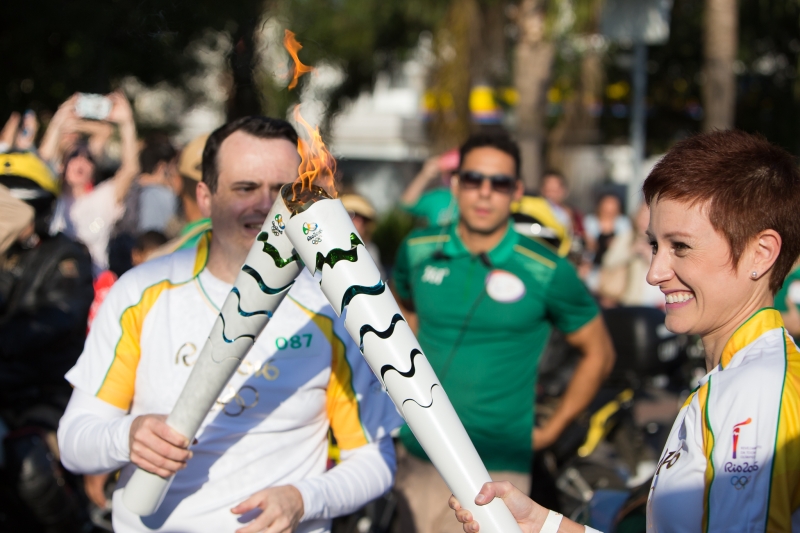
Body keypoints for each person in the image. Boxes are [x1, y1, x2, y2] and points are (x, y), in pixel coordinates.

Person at [57, 115, 401, 533]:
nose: (265, 206)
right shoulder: (142, 292)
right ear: (206, 197)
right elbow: (74, 442)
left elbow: (374, 460)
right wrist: (127, 437)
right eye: (245, 188)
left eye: (282, 190)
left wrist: (304, 499)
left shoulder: (332, 308)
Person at [450, 130, 800, 532]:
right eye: (654, 246)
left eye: (681, 247)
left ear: (761, 253)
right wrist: (543, 525)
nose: (655, 273)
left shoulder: (757, 387)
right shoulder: (737, 378)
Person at [391, 133, 615, 533]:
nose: (484, 192)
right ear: (455, 184)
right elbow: (402, 313)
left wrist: (552, 430)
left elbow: (600, 353)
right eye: (473, 179)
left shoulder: (546, 268)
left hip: (496, 470)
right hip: (417, 453)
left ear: (516, 191)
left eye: (499, 183)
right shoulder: (417, 249)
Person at [0, 153, 95, 532]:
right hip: (5, 387)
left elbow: (59, 316)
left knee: (29, 462)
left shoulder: (65, 255)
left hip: (44, 389)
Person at [48, 92, 140, 275]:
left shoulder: (103, 198)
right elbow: (43, 161)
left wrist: (127, 123)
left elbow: (130, 169)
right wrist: (58, 121)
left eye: (89, 158)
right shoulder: (51, 198)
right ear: (62, 165)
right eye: (74, 155)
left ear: (94, 169)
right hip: (53, 286)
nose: (81, 161)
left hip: (91, 286)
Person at [340, 193, 385, 278]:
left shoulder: (371, 250)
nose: (359, 221)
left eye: (364, 218)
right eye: (352, 214)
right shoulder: (323, 247)